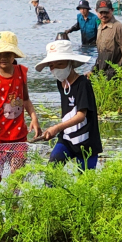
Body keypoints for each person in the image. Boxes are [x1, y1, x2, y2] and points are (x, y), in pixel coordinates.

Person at [0, 31, 41, 181]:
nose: (3, 57)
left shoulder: (21, 73)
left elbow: (25, 99)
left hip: (18, 135)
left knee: (17, 176)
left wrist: (34, 117)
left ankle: (15, 205)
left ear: (14, 55)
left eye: (7, 53)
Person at [35, 40, 101, 171]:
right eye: (52, 65)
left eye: (60, 64)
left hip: (86, 142)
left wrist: (56, 128)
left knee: (85, 182)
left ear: (70, 63)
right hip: (66, 139)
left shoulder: (83, 84)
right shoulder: (61, 84)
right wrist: (56, 131)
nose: (56, 69)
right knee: (52, 172)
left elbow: (81, 116)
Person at [87, 0, 122, 81]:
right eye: (101, 12)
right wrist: (93, 70)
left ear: (112, 10)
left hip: (117, 76)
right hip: (103, 76)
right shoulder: (99, 28)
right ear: (96, 11)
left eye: (106, 12)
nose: (103, 15)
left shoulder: (119, 28)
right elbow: (101, 54)